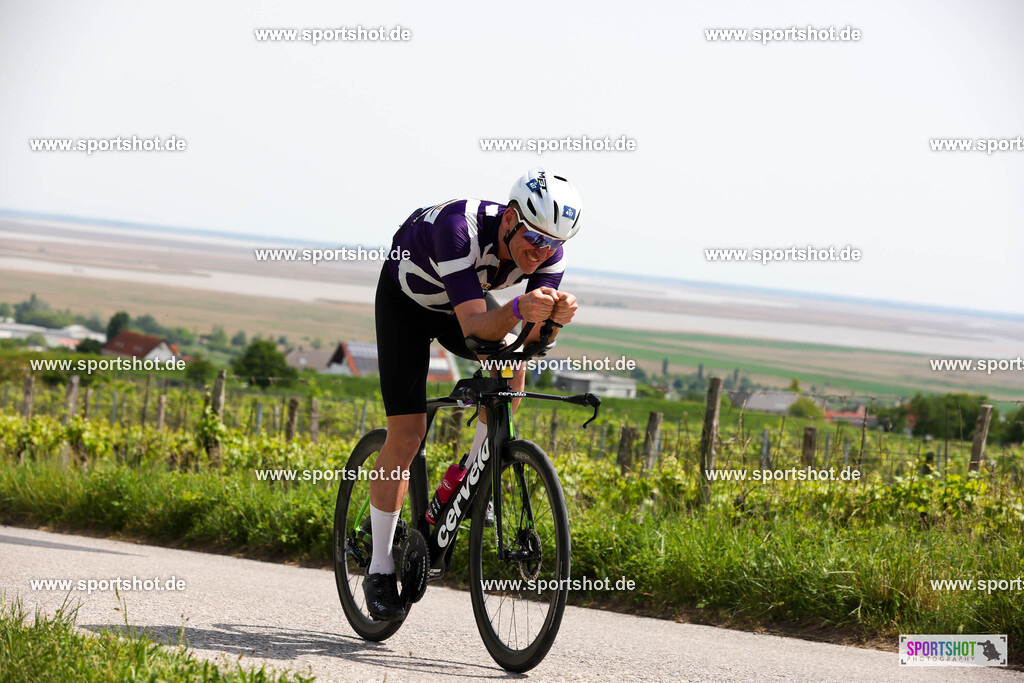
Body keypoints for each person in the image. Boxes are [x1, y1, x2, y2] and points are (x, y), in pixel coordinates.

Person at [365, 168, 583, 620]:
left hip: (459, 305)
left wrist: (553, 321)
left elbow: (530, 341)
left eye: (552, 245)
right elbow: (475, 327)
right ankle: (379, 569)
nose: (540, 252)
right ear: (509, 219)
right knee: (407, 435)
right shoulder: (457, 229)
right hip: (408, 304)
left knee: (512, 366)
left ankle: (473, 471)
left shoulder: (549, 257)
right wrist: (521, 307)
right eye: (534, 239)